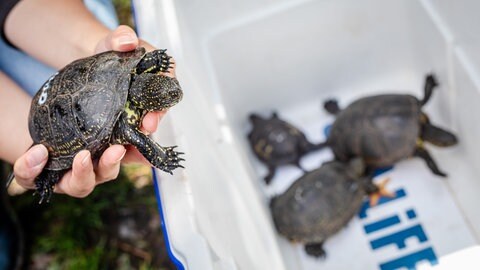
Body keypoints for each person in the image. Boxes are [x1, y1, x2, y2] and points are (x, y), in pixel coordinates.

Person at [0, 0, 174, 198]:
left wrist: (96, 44)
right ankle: (44, 171)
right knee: (50, 159)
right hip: (55, 114)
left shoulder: (133, 71)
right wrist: (36, 160)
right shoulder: (125, 123)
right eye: (170, 96)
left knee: (109, 31)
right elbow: (139, 139)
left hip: (33, 27)